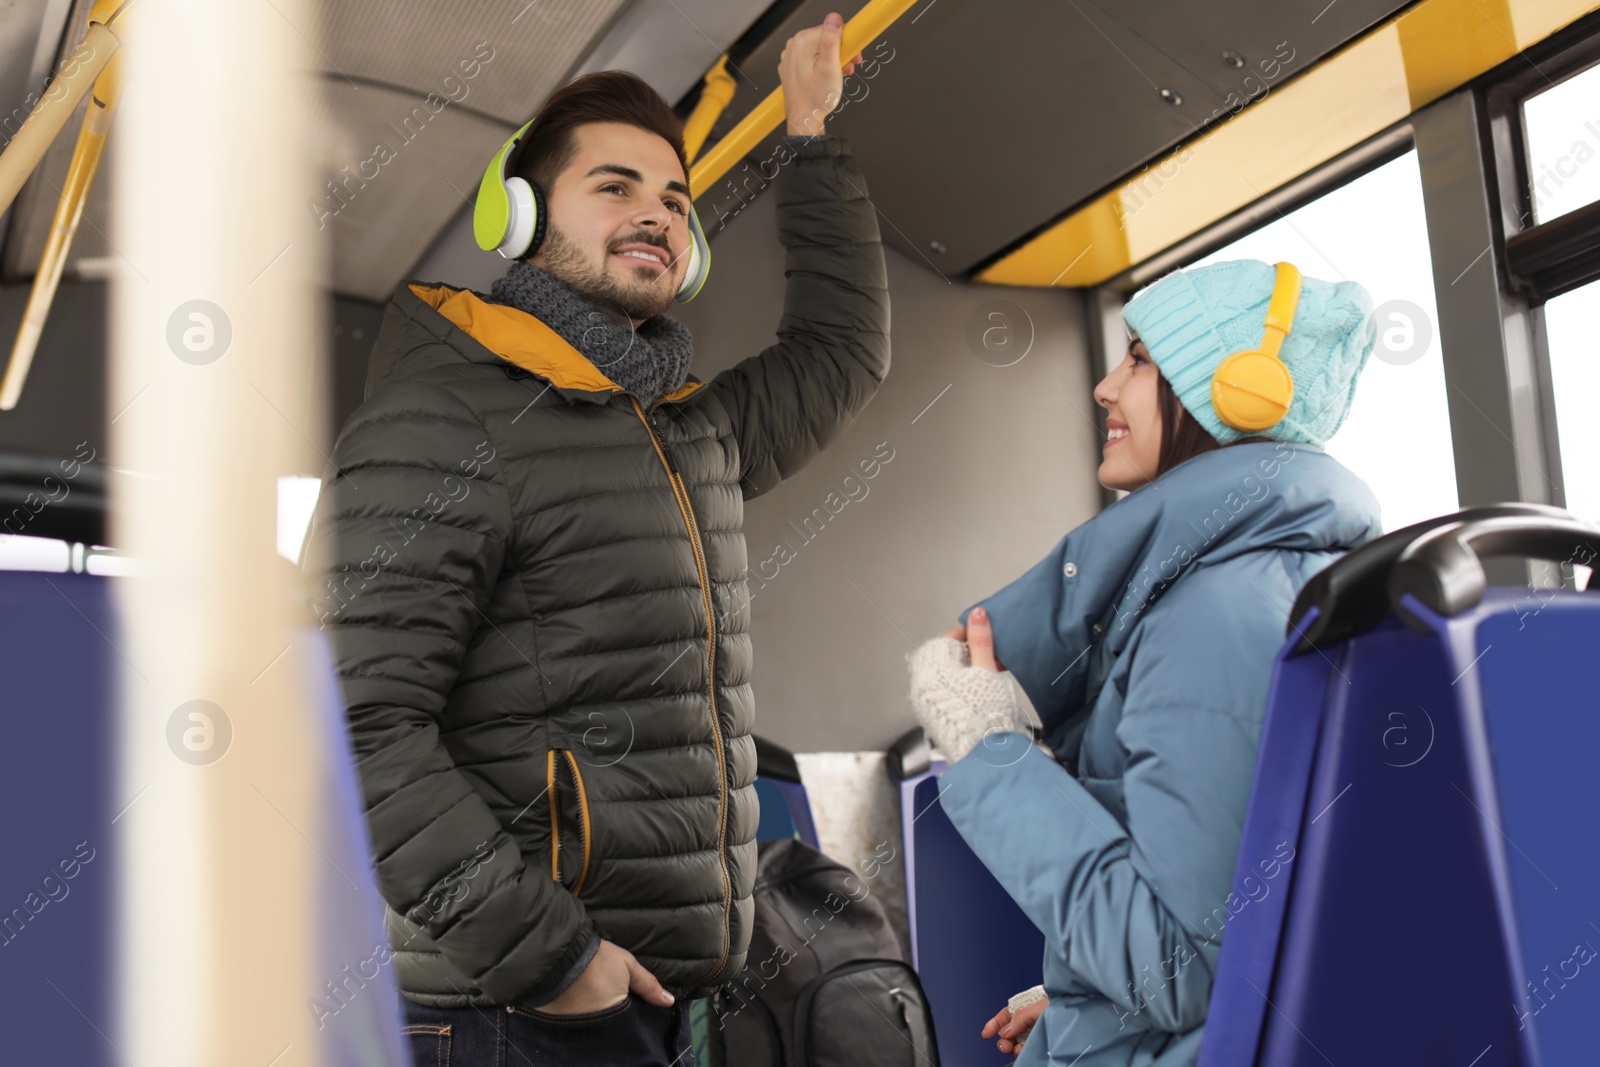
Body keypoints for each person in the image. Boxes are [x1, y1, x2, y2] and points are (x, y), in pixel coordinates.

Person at [304, 15, 886, 1065]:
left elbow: (840, 349)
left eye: (673, 198)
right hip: (513, 1013)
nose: (655, 215)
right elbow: (354, 724)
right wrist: (556, 960)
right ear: (522, 218)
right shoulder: (441, 424)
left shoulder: (683, 431)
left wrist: (810, 131)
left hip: (654, 1002)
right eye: (612, 187)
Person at [906, 259, 1383, 1064]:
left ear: (1236, 393)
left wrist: (993, 747)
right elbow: (1247, 920)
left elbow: (1181, 963)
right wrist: (1079, 1005)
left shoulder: (1214, 617)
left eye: (1138, 360)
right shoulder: (1285, 583)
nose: (1103, 386)